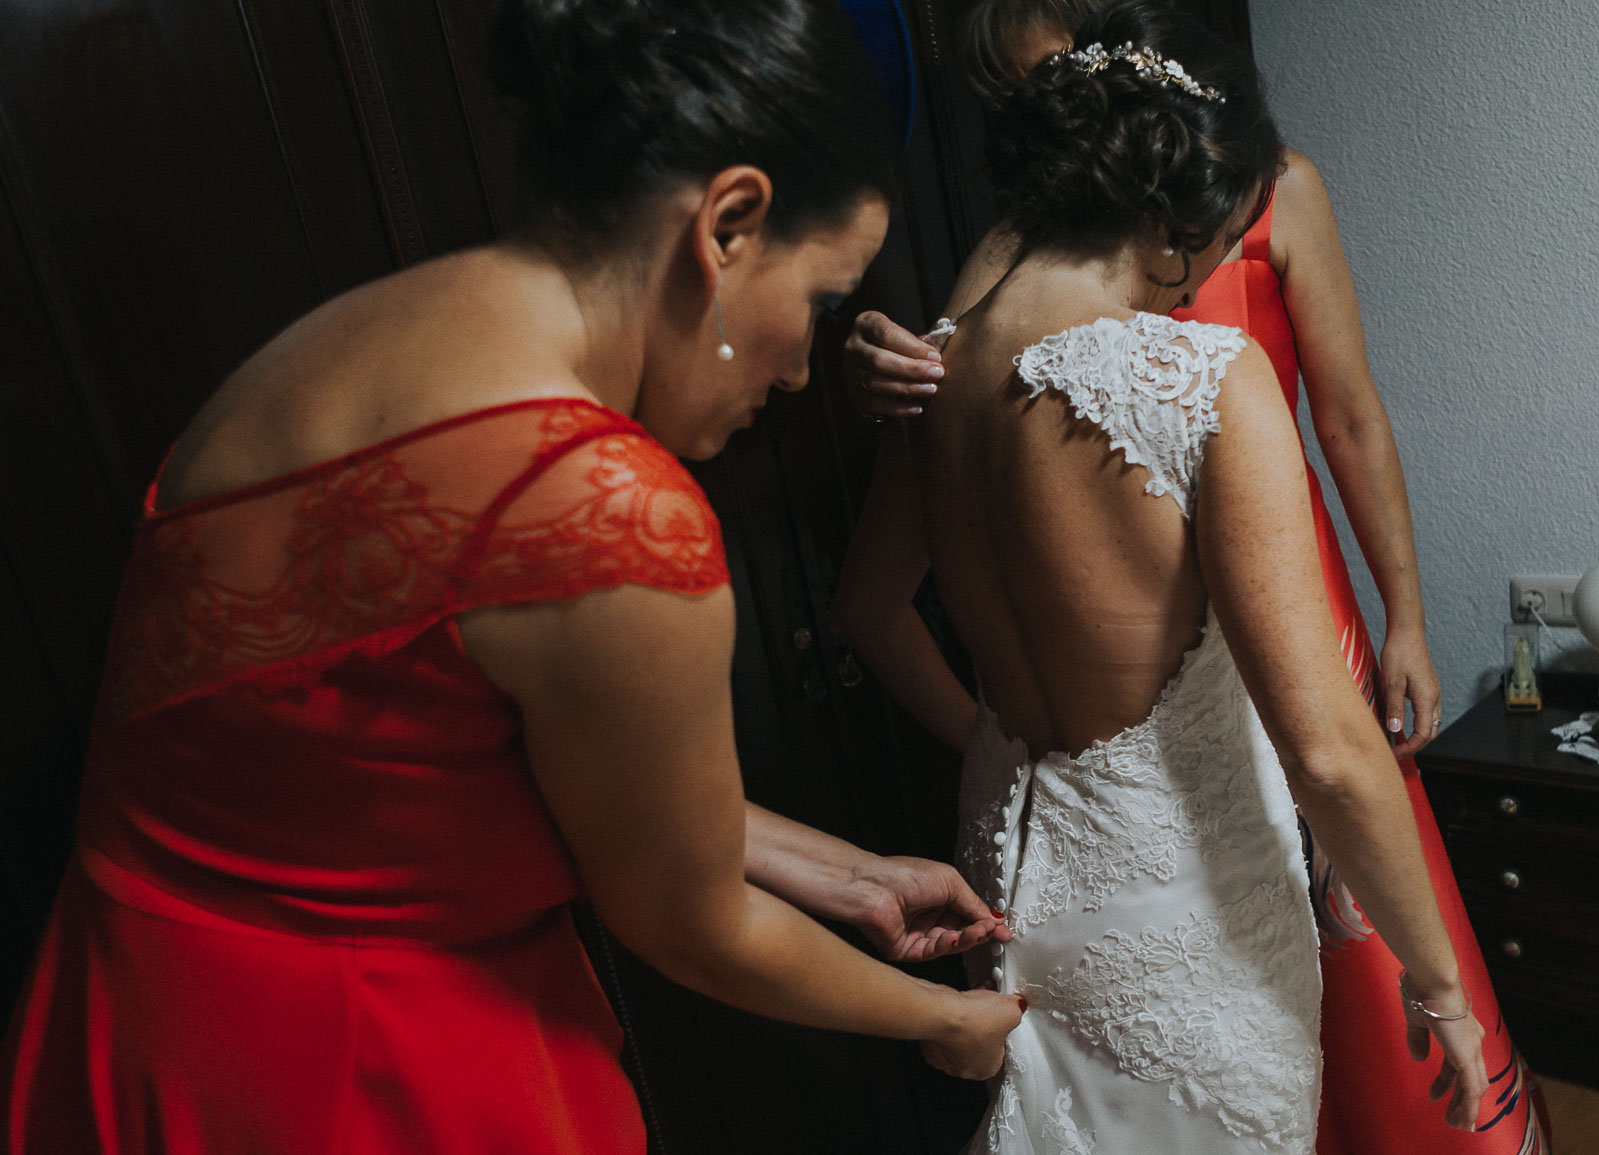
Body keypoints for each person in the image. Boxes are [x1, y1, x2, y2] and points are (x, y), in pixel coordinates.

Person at [0, 1, 1025, 1149]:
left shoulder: (326, 346)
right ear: (728, 224)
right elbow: (690, 928)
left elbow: (394, 771)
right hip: (360, 1067)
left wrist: (849, 875)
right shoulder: (607, 510)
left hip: (142, 1018)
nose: (798, 372)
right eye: (823, 302)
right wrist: (945, 1020)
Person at [843, 2, 1552, 1151]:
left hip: (1007, 866)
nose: (1204, 278)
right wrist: (1440, 991)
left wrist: (1011, 751)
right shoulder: (1197, 374)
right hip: (1182, 898)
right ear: (1175, 216)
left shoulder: (935, 368)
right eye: (1219, 243)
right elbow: (1325, 751)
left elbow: (870, 615)